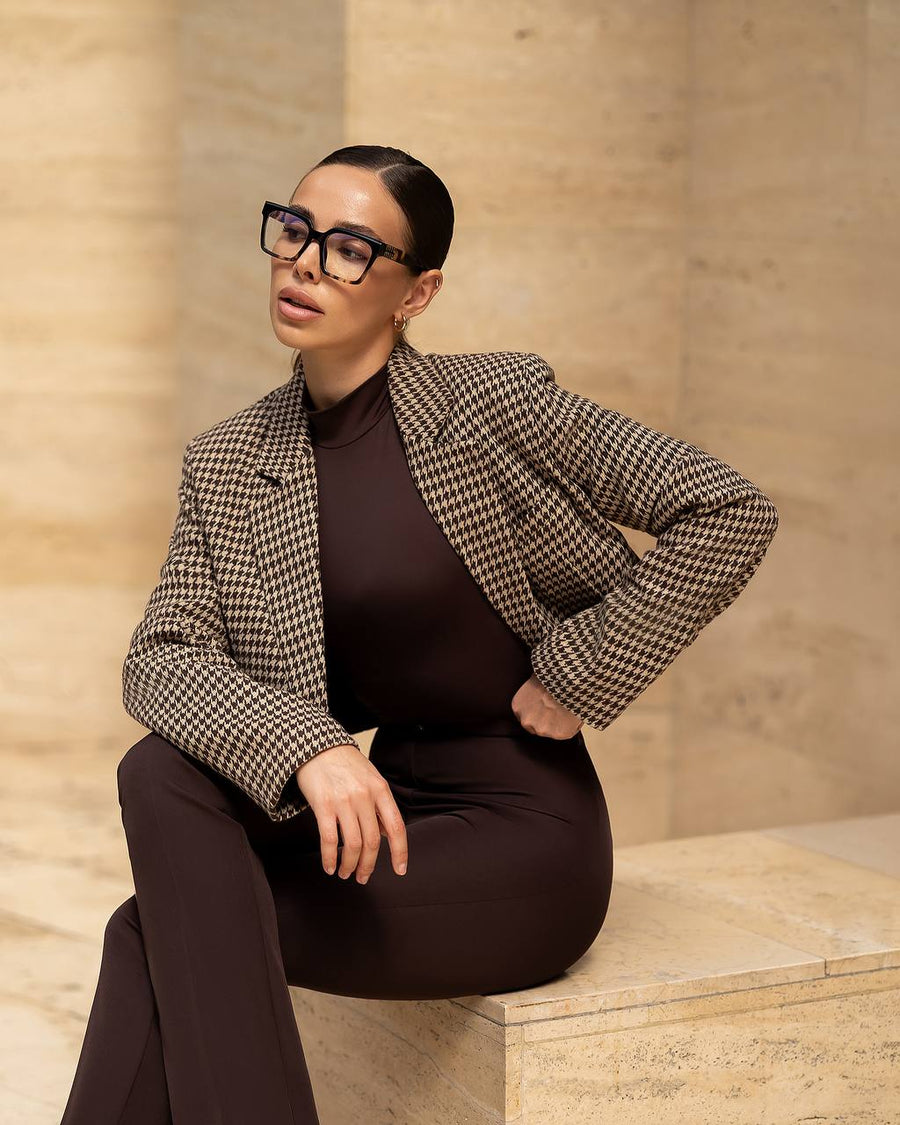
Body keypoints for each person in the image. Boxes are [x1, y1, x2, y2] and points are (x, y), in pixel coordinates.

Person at [59, 144, 777, 1123]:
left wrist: (581, 671)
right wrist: (307, 747)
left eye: (351, 249)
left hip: (522, 838)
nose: (307, 264)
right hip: (371, 821)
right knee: (159, 774)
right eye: (296, 231)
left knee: (154, 930)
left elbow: (727, 509)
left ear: (416, 292)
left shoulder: (495, 406)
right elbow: (162, 658)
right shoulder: (231, 462)